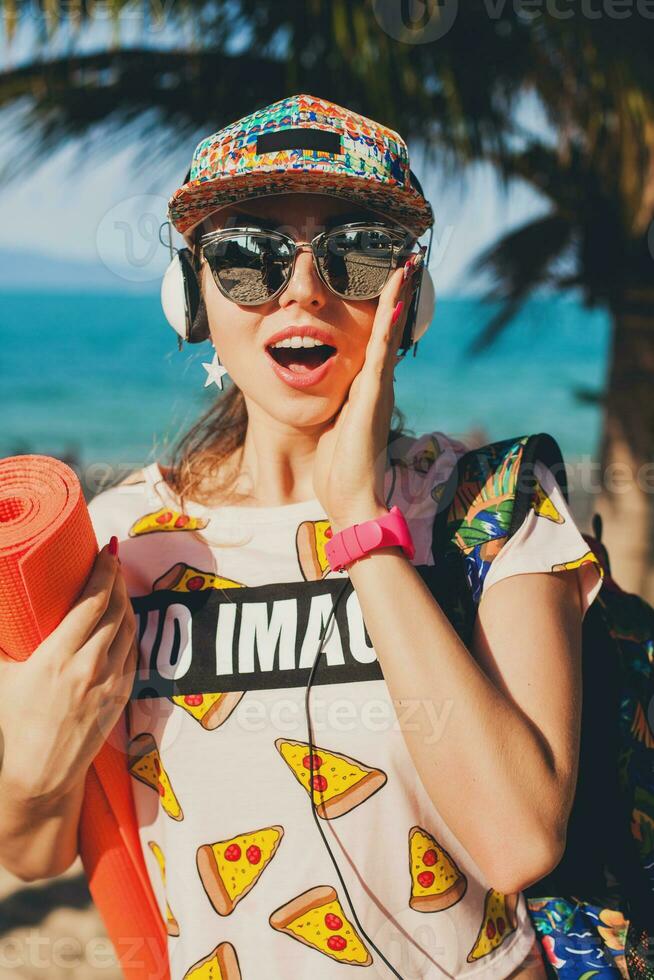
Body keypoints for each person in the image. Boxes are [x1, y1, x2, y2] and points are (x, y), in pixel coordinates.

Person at [0, 94, 604, 980]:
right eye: (249, 255)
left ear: (411, 294)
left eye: (357, 252)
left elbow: (518, 840)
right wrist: (28, 761)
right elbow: (37, 850)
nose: (305, 290)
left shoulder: (496, 507)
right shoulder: (119, 545)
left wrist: (363, 522)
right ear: (192, 292)